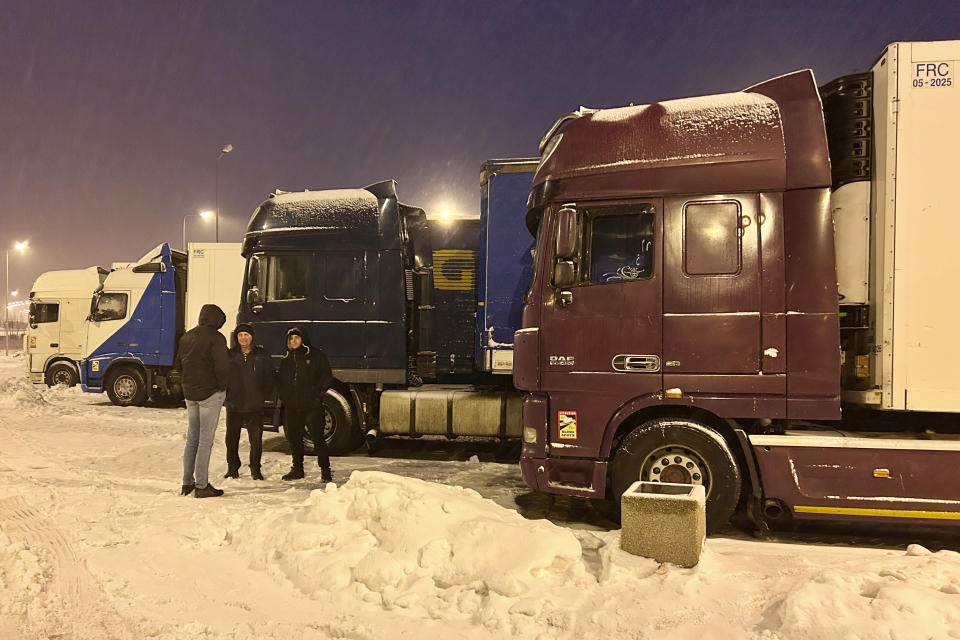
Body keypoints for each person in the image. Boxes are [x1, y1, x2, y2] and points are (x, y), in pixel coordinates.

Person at [176, 304, 230, 498]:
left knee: (192, 439)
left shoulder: (186, 337)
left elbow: (178, 365)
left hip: (190, 394)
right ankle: (201, 486)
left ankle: (187, 483)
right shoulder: (216, 338)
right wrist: (223, 387)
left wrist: (187, 385)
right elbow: (222, 367)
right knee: (205, 441)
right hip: (210, 394)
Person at [276, 326, 333, 482]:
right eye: (291, 339)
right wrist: (284, 397)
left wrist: (317, 396)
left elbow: (327, 377)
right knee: (294, 438)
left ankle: (325, 470)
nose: (294, 341)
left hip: (312, 406)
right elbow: (280, 381)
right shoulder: (286, 359)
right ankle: (297, 469)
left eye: (297, 338)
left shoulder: (316, 356)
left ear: (303, 339)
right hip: (292, 406)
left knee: (317, 438)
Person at [223, 323, 274, 480]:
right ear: (236, 338)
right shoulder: (230, 356)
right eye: (240, 335)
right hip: (234, 404)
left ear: (252, 337)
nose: (243, 338)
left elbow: (270, 377)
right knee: (231, 439)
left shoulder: (262, 355)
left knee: (256, 440)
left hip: (254, 405)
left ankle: (255, 469)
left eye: (246, 335)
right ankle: (233, 468)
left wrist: (263, 395)